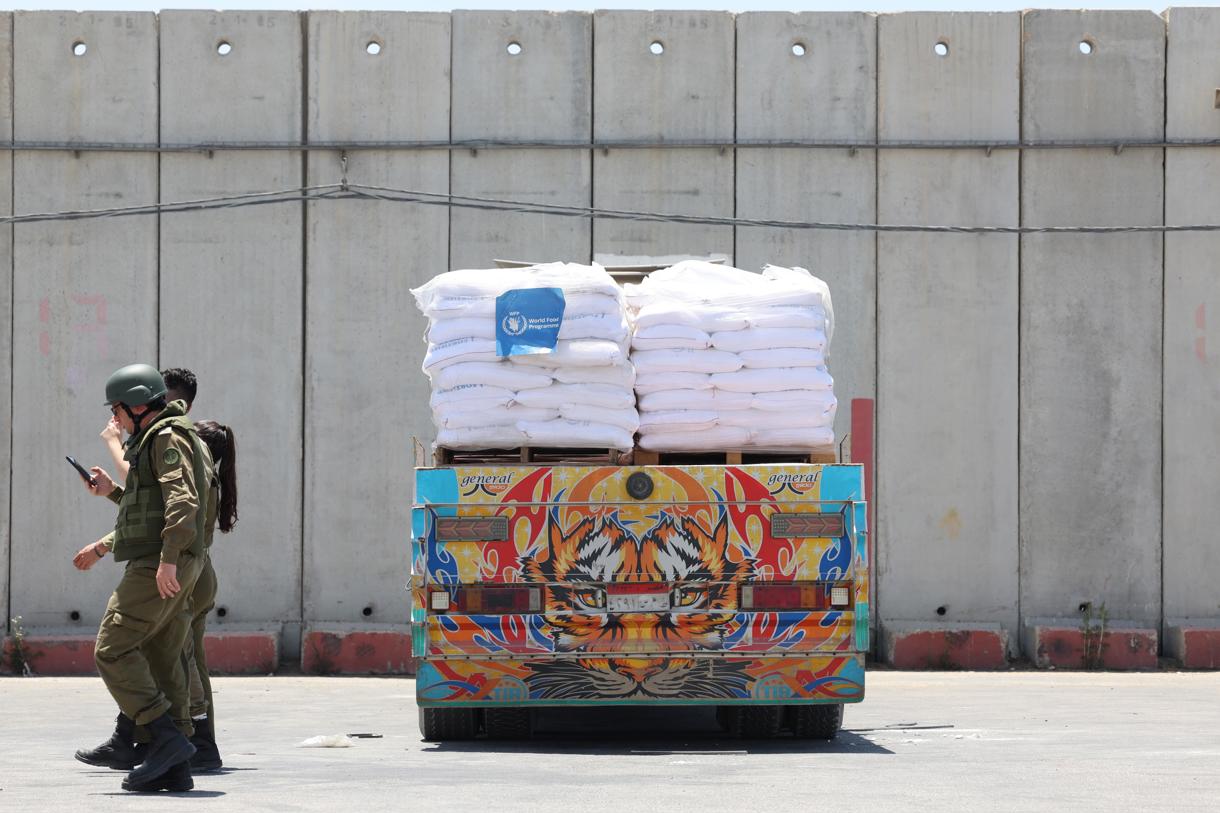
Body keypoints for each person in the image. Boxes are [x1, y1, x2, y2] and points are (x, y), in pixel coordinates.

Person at [71, 364, 210, 793]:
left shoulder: (166, 438)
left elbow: (182, 501)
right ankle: (173, 765)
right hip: (176, 561)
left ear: (136, 405)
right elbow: (147, 503)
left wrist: (167, 559)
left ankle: (165, 740)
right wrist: (111, 491)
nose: (115, 419)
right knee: (162, 655)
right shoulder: (168, 436)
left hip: (158, 565)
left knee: (112, 649)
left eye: (117, 409)